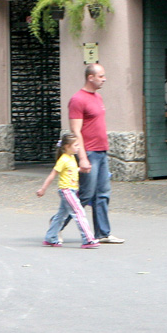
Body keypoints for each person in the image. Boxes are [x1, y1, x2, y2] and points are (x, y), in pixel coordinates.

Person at [68, 63, 123, 244]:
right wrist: (82, 157)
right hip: (89, 152)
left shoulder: (98, 97)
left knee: (103, 194)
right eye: (101, 76)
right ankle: (56, 225)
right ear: (90, 77)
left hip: (101, 151)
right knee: (85, 194)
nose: (104, 79)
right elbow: (76, 131)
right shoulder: (77, 99)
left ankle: (103, 233)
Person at [37, 132, 99, 248]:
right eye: (76, 145)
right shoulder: (63, 159)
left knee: (61, 215)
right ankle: (88, 239)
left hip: (72, 190)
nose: (78, 147)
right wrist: (43, 189)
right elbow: (52, 175)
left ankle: (50, 238)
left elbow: (71, 170)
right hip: (66, 190)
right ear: (67, 147)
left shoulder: (71, 158)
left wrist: (80, 169)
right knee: (79, 212)